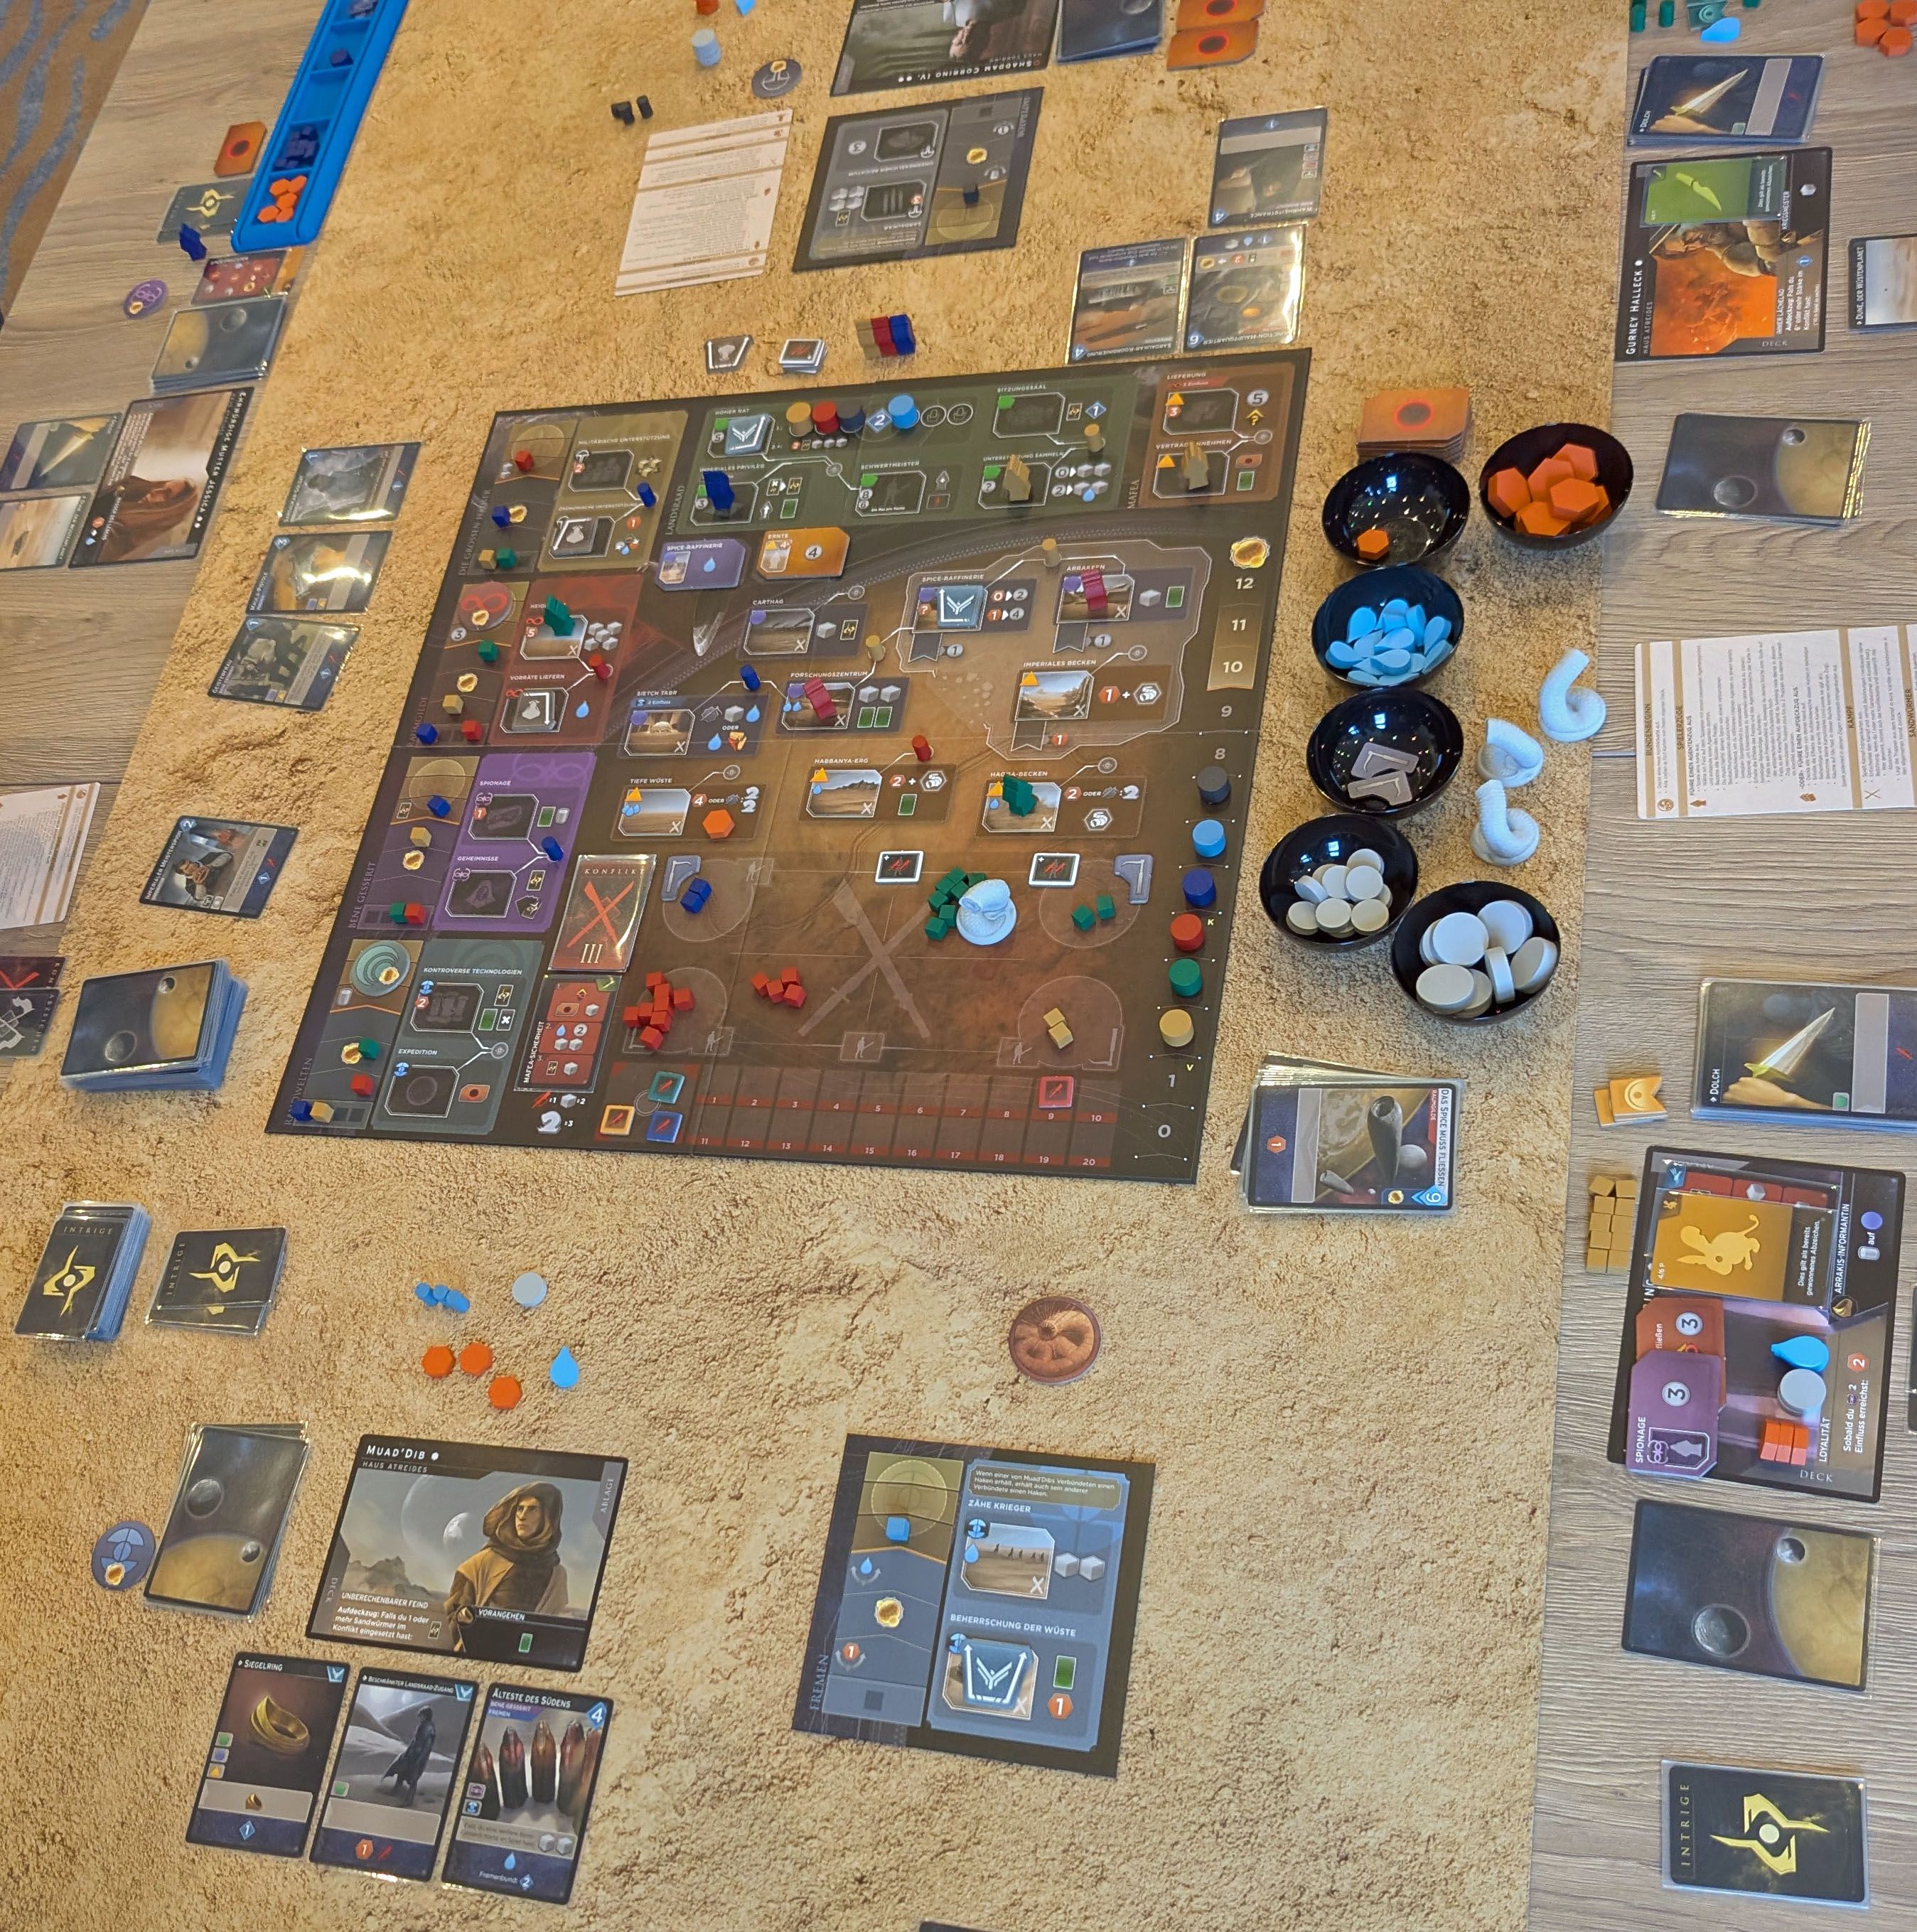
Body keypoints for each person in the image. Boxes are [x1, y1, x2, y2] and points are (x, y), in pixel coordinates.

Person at [444, 1483, 571, 1643]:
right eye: (520, 1509)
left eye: (532, 1509)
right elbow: (453, 1622)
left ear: (547, 1517)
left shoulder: (557, 1575)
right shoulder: (482, 1564)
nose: (522, 1516)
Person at [379, 1705, 436, 1805]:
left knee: (413, 1779)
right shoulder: (423, 1726)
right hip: (411, 1756)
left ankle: (409, 1801)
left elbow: (426, 1747)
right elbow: (415, 1741)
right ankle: (396, 1792)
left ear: (425, 1716)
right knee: (401, 1773)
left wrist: (419, 1760)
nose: (420, 1717)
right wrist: (408, 1753)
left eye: (421, 1715)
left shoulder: (429, 1729)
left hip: (418, 1758)